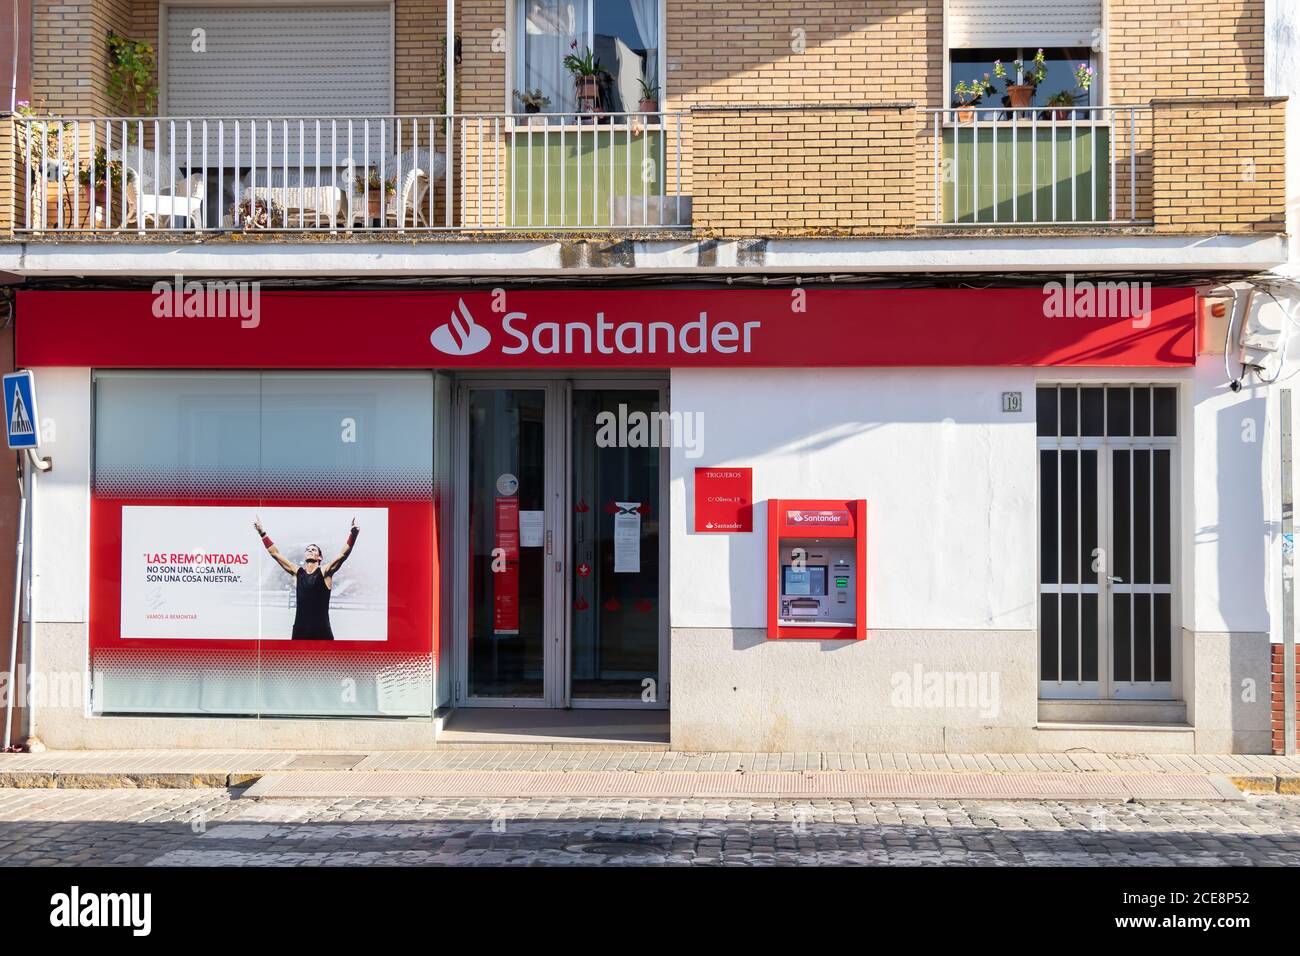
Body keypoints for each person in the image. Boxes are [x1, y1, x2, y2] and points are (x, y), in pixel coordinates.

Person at [253, 516, 359, 640]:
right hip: (300, 632)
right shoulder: (297, 572)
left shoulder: (325, 572)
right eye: (307, 549)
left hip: (322, 632)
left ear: (320, 557)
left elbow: (343, 554)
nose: (309, 550)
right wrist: (262, 533)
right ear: (304, 555)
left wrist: (353, 535)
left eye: (313, 549)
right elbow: (275, 553)